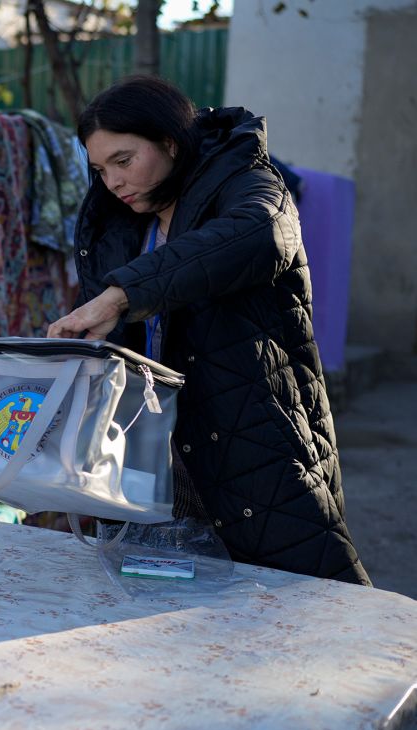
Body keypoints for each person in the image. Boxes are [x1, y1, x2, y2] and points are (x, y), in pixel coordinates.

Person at [47, 76, 370, 586]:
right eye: (100, 168)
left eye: (124, 161)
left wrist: (121, 295)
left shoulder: (249, 184)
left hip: (250, 448)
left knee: (300, 615)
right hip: (149, 464)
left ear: (170, 143)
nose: (111, 181)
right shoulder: (116, 221)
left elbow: (256, 237)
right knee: (155, 628)